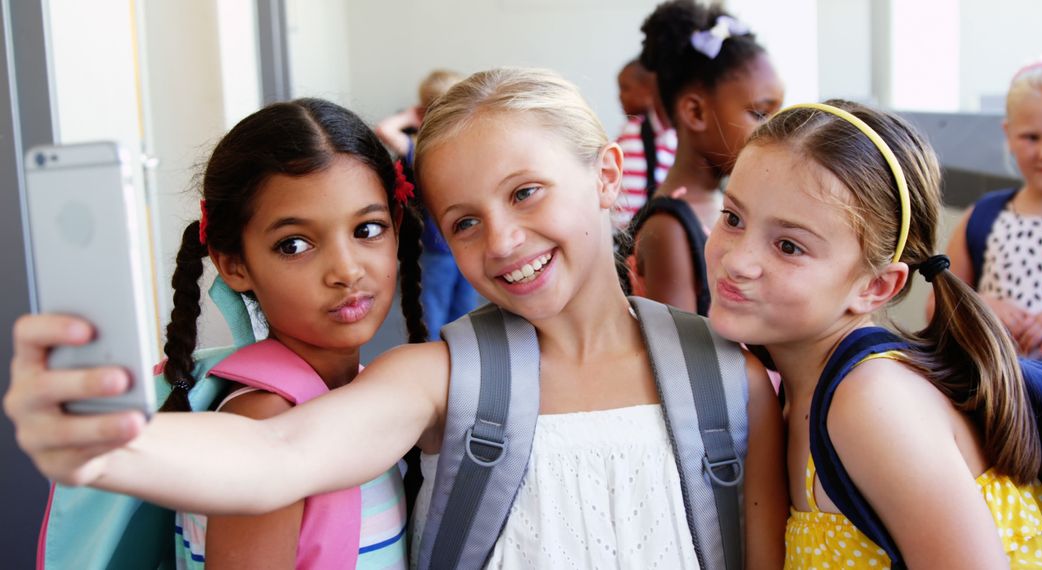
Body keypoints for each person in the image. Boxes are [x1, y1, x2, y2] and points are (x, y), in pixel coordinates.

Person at [5, 68, 787, 569]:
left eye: (525, 192)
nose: (504, 240)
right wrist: (105, 446)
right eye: (465, 221)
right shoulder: (442, 376)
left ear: (606, 175)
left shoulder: (728, 379)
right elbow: (278, 454)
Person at [50, 98, 425, 568]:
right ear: (234, 264)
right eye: (294, 244)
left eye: (367, 228)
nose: (346, 270)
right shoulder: (263, 423)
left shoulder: (360, 395)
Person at [705, 100, 1042, 567]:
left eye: (789, 246)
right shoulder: (798, 391)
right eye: (733, 218)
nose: (738, 260)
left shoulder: (872, 402)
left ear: (875, 286)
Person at [626, 0, 783, 316]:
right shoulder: (669, 230)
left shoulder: (729, 204)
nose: (776, 131)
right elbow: (681, 360)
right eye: (760, 114)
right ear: (695, 112)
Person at [936, 53, 1042, 366]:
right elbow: (938, 305)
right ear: (1009, 135)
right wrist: (978, 306)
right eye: (1030, 137)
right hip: (999, 400)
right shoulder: (984, 216)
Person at [376, 69, 479, 340]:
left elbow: (384, 129)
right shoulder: (468, 145)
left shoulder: (420, 149)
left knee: (434, 308)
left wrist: (410, 115)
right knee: (463, 310)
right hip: (467, 239)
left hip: (439, 245)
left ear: (424, 110)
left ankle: (435, 357)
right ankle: (459, 356)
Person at [612, 58, 678, 230]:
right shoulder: (631, 130)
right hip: (625, 230)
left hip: (638, 228)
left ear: (649, 91)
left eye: (625, 88)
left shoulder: (659, 133)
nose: (619, 96)